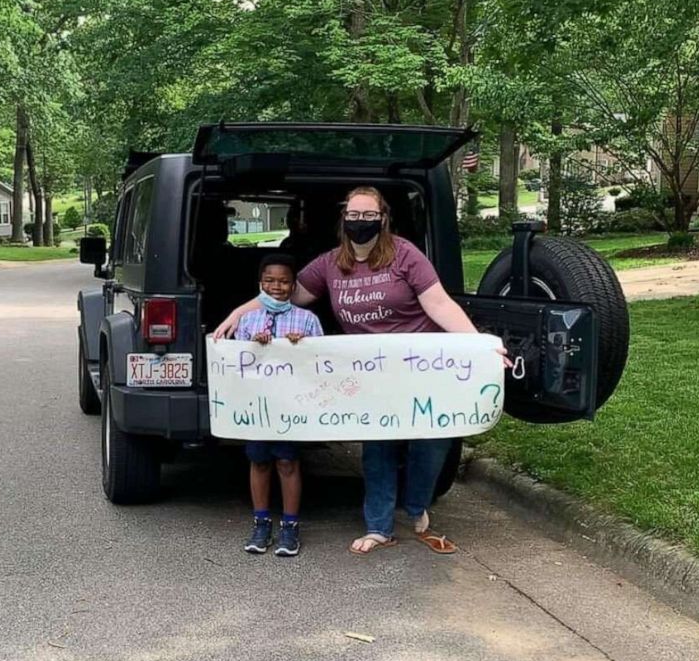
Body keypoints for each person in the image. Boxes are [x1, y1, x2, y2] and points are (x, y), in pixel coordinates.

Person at [215, 187, 509, 556]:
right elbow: (280, 296)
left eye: (368, 216)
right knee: (378, 450)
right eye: (353, 216)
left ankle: (416, 505)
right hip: (372, 375)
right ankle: (379, 527)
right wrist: (236, 315)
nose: (360, 222)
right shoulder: (329, 265)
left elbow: (439, 304)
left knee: (433, 444)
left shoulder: (406, 255)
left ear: (383, 219)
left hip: (422, 369)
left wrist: (481, 345)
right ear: (344, 219)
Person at [233, 254, 324, 557]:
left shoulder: (307, 320)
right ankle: (261, 523)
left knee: (287, 461)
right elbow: (234, 364)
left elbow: (321, 362)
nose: (277, 287)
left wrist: (303, 346)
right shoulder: (247, 321)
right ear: (260, 284)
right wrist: (251, 346)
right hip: (258, 405)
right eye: (270, 281)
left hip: (291, 406)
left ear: (293, 285)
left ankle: (290, 526)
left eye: (284, 281)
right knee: (259, 460)